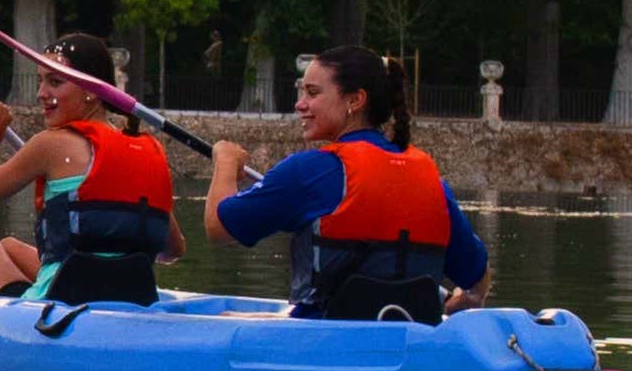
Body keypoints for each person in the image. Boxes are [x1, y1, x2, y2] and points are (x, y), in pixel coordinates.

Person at [209, 45, 488, 321]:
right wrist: (461, 302)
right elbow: (478, 281)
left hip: (325, 336)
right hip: (410, 335)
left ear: (355, 100)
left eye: (312, 93)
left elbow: (218, 228)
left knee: (225, 317)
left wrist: (225, 162)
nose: (300, 104)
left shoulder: (310, 171)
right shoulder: (432, 181)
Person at [0, 31, 177, 302]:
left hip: (62, 300)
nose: (41, 93)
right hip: (136, 296)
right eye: (41, 81)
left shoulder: (51, 144)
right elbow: (173, 250)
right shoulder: (145, 150)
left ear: (91, 91)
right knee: (9, 247)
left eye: (55, 82)